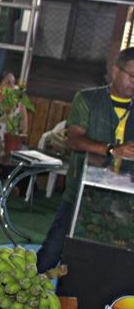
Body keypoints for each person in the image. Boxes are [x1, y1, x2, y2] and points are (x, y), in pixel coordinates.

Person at [36, 48, 134, 273]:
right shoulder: (88, 98)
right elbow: (74, 140)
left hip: (124, 202)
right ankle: (23, 297)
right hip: (82, 193)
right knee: (52, 252)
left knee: (108, 263)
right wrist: (111, 150)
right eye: (132, 76)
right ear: (115, 71)